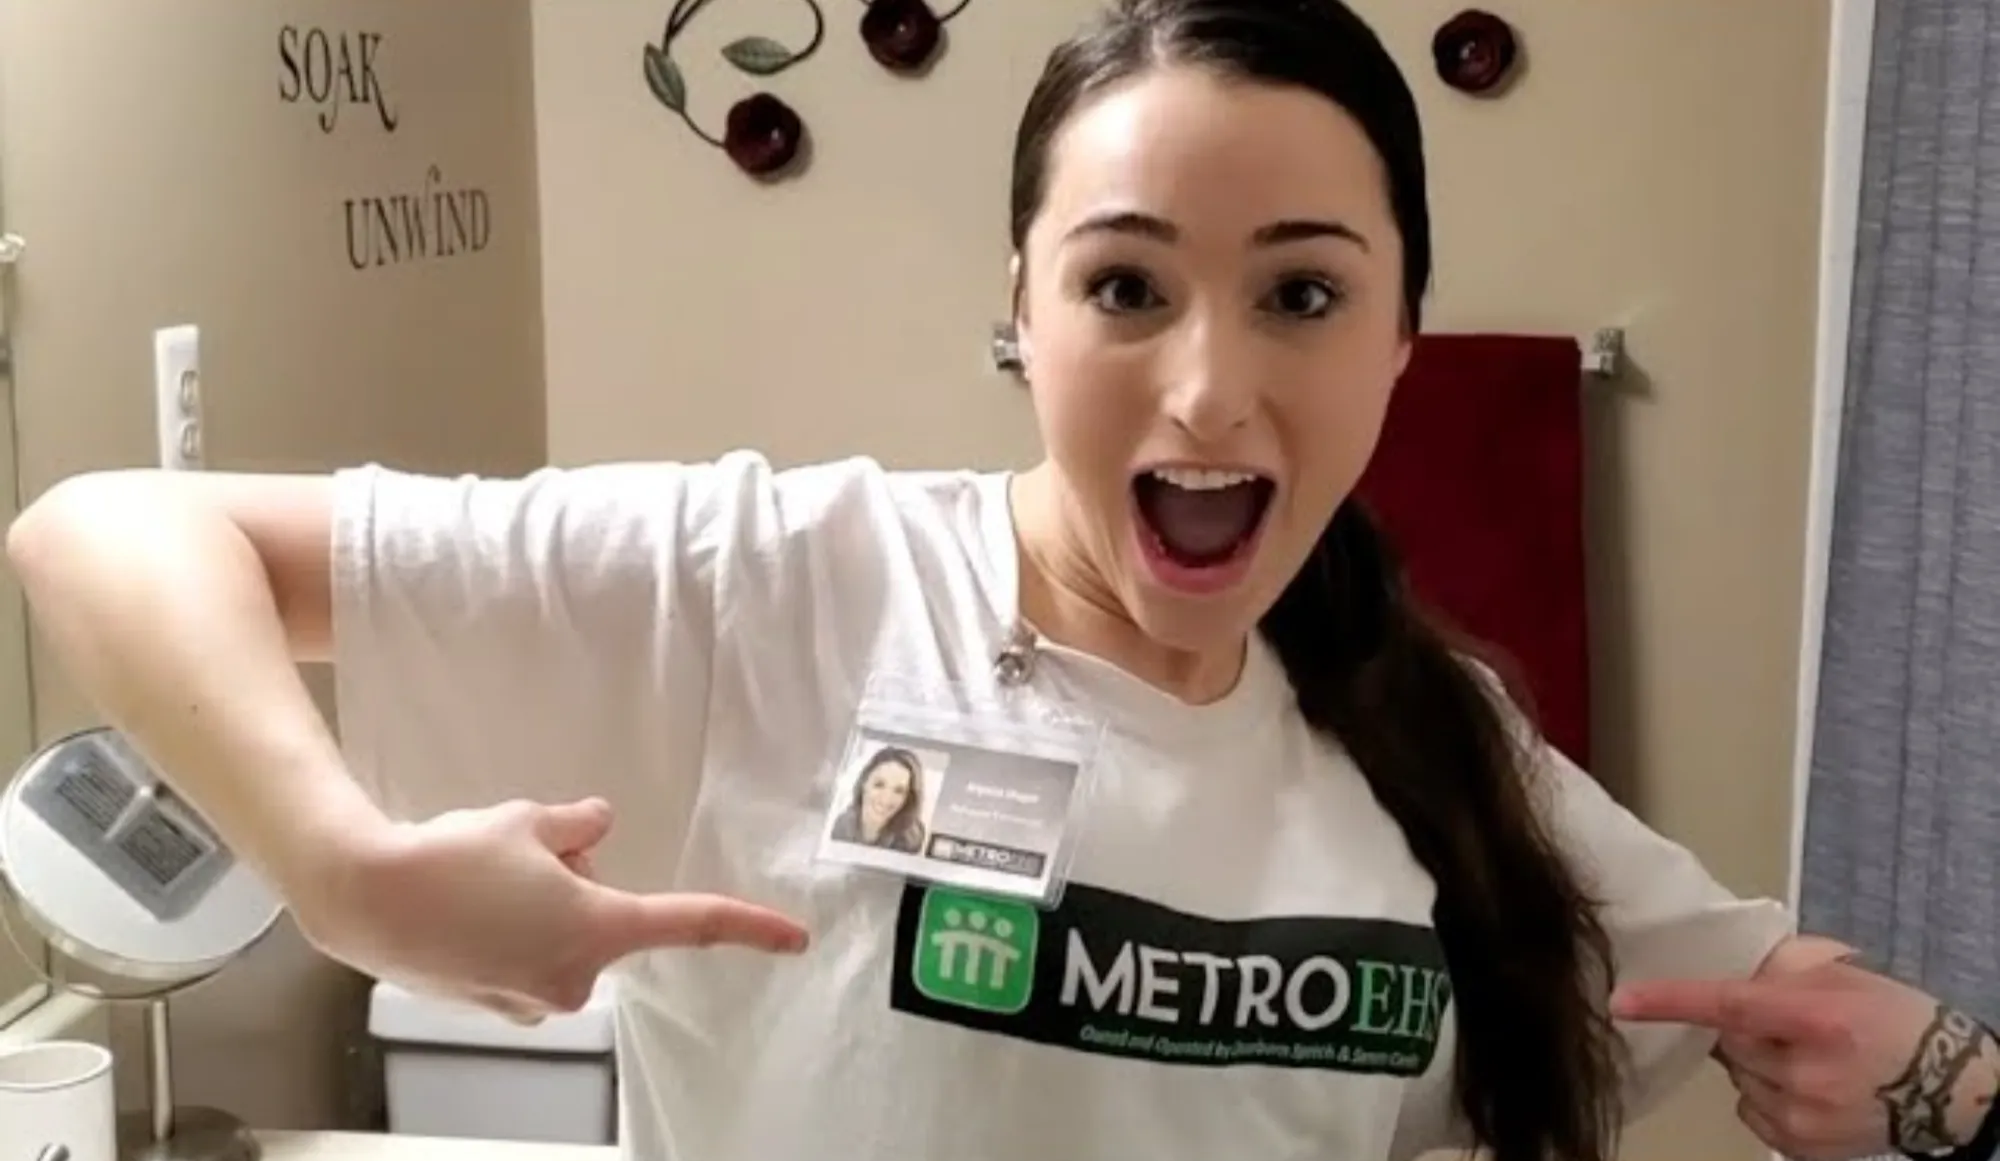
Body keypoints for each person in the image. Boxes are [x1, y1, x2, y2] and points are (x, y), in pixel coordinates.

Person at [5, 2, 1993, 1159]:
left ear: (1399, 340)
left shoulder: (1438, 740)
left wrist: (1943, 1081)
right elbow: (101, 533)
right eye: (1125, 285)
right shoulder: (767, 583)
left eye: (1301, 291)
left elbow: (1786, 996)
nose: (1210, 386)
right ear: (1022, 320)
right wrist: (349, 870)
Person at [828, 746, 928, 853]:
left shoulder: (910, 840)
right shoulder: (840, 825)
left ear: (908, 799)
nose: (886, 798)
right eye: (879, 785)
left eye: (899, 791)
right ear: (864, 783)